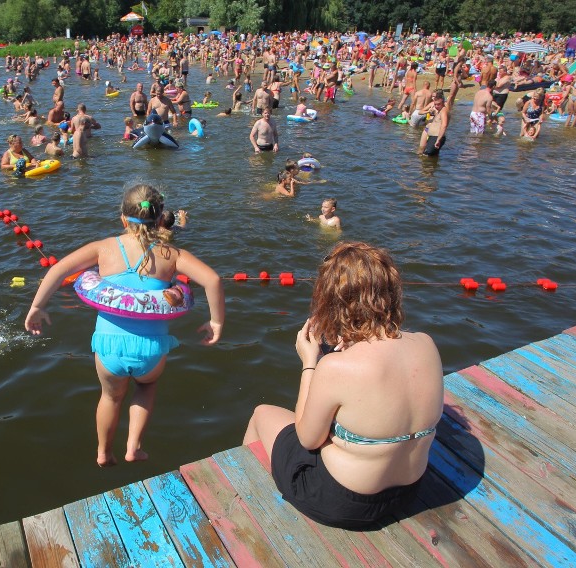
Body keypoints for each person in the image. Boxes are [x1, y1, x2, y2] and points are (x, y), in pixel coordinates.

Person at [243, 241, 443, 529]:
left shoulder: (336, 367)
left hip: (342, 501)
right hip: (407, 492)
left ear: (332, 302)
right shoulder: (426, 344)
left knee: (262, 413)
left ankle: (247, 494)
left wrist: (310, 362)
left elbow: (308, 439)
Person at [24, 184, 225, 467]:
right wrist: (215, 321)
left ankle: (103, 452)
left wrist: (37, 307)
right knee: (147, 386)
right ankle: (134, 447)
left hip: (109, 345)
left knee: (110, 397)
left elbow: (58, 270)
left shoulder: (103, 248)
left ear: (122, 218)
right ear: (159, 220)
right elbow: (213, 280)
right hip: (151, 347)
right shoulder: (172, 254)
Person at [419, 91, 448, 157]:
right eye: (435, 104)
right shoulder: (438, 110)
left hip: (436, 137)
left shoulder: (443, 111)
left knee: (426, 157)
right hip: (432, 136)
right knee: (431, 157)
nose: (436, 106)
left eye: (438, 104)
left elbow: (444, 125)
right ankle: (434, 167)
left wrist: (438, 140)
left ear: (443, 103)